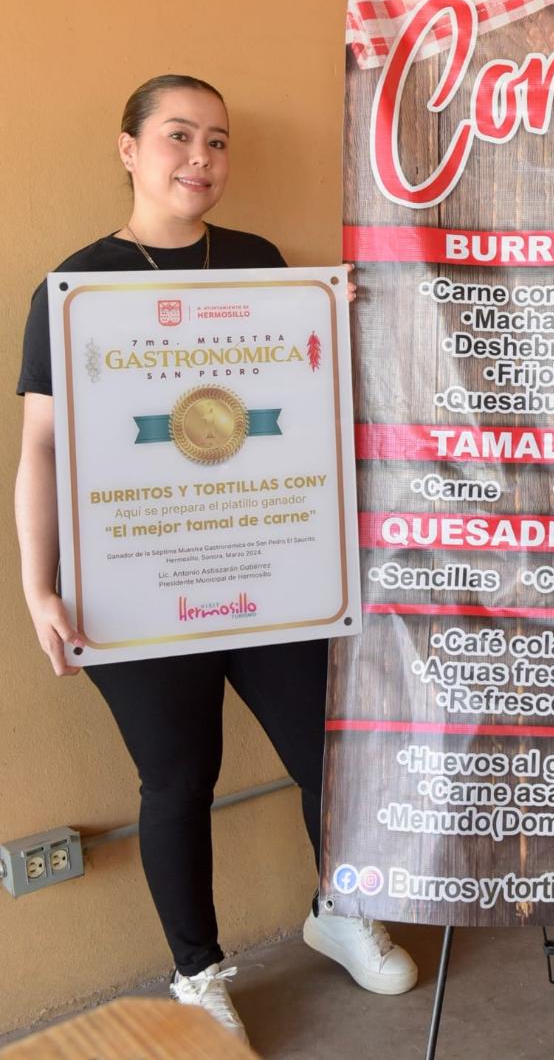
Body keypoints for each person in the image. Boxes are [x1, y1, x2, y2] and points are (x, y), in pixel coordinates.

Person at [14, 74, 417, 1042]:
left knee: (329, 754)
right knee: (178, 778)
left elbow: (297, 403)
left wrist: (330, 314)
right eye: (179, 136)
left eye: (219, 141)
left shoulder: (259, 262)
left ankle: (339, 908)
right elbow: (42, 449)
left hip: (268, 569)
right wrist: (38, 586)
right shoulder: (75, 287)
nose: (201, 158)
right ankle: (196, 971)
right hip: (135, 585)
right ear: (129, 150)